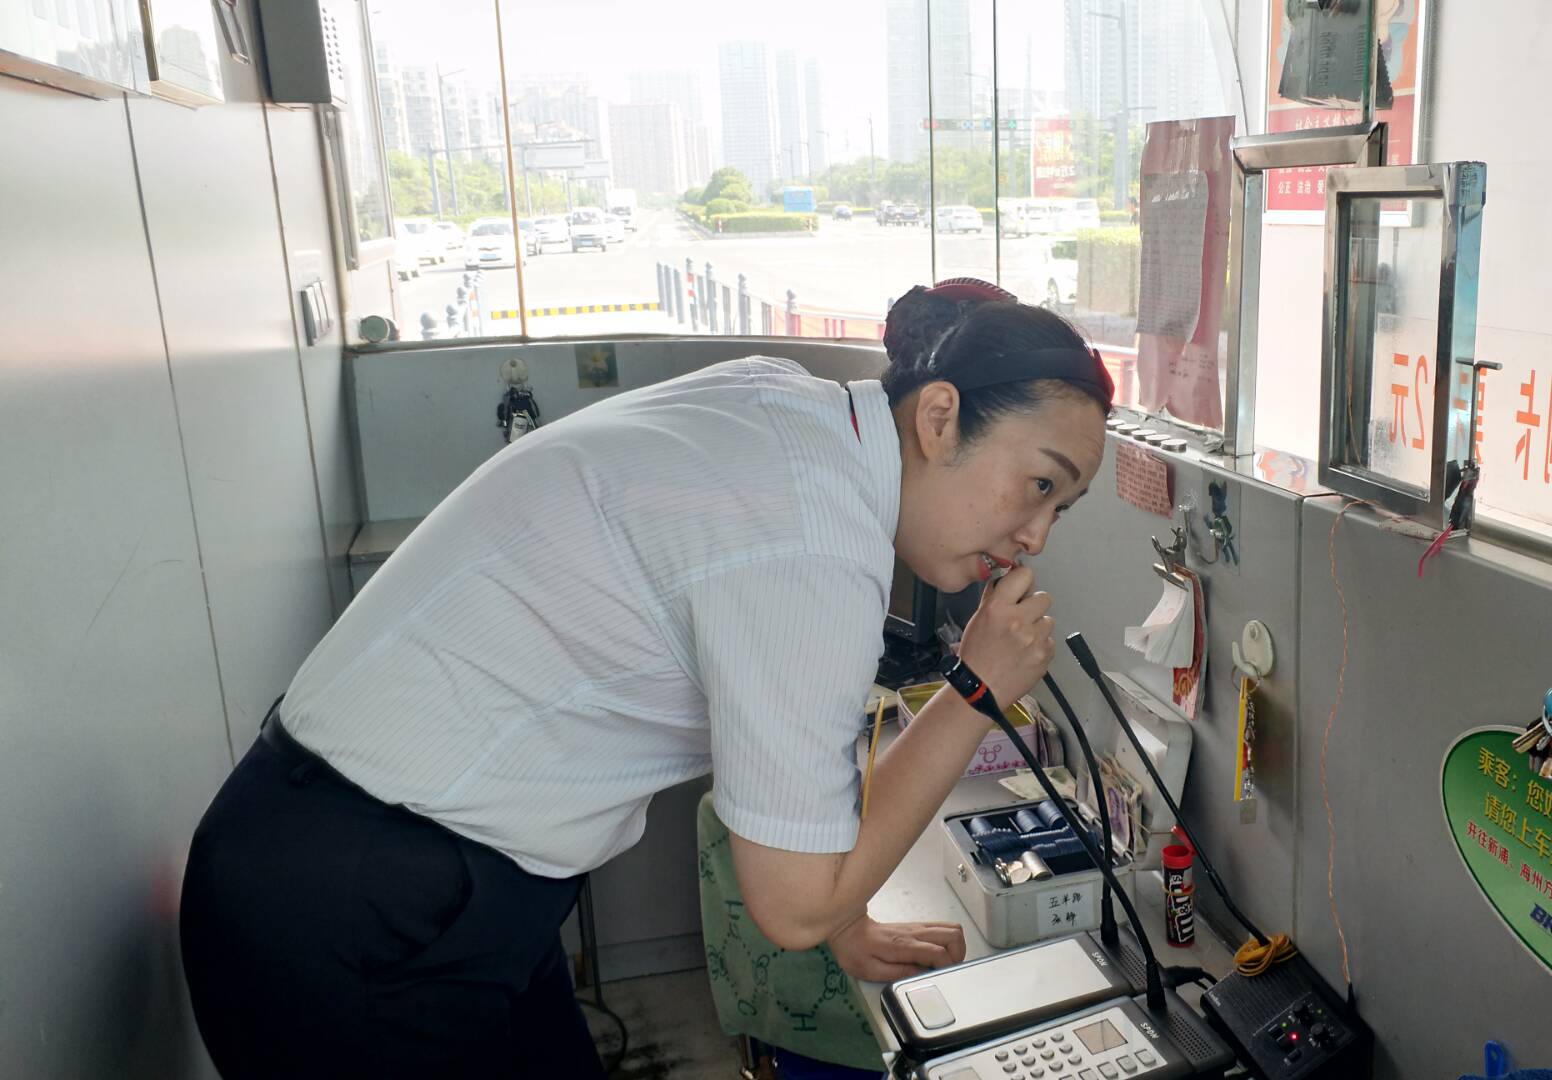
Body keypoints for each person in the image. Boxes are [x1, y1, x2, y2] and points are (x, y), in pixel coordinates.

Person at [177, 278, 1114, 1078]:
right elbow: (791, 908)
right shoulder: (810, 543)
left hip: (395, 860)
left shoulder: (789, 409)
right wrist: (976, 688)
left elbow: (775, 756)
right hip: (357, 916)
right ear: (939, 418)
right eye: (1040, 483)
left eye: (1063, 509)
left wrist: (847, 920)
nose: (1036, 535)